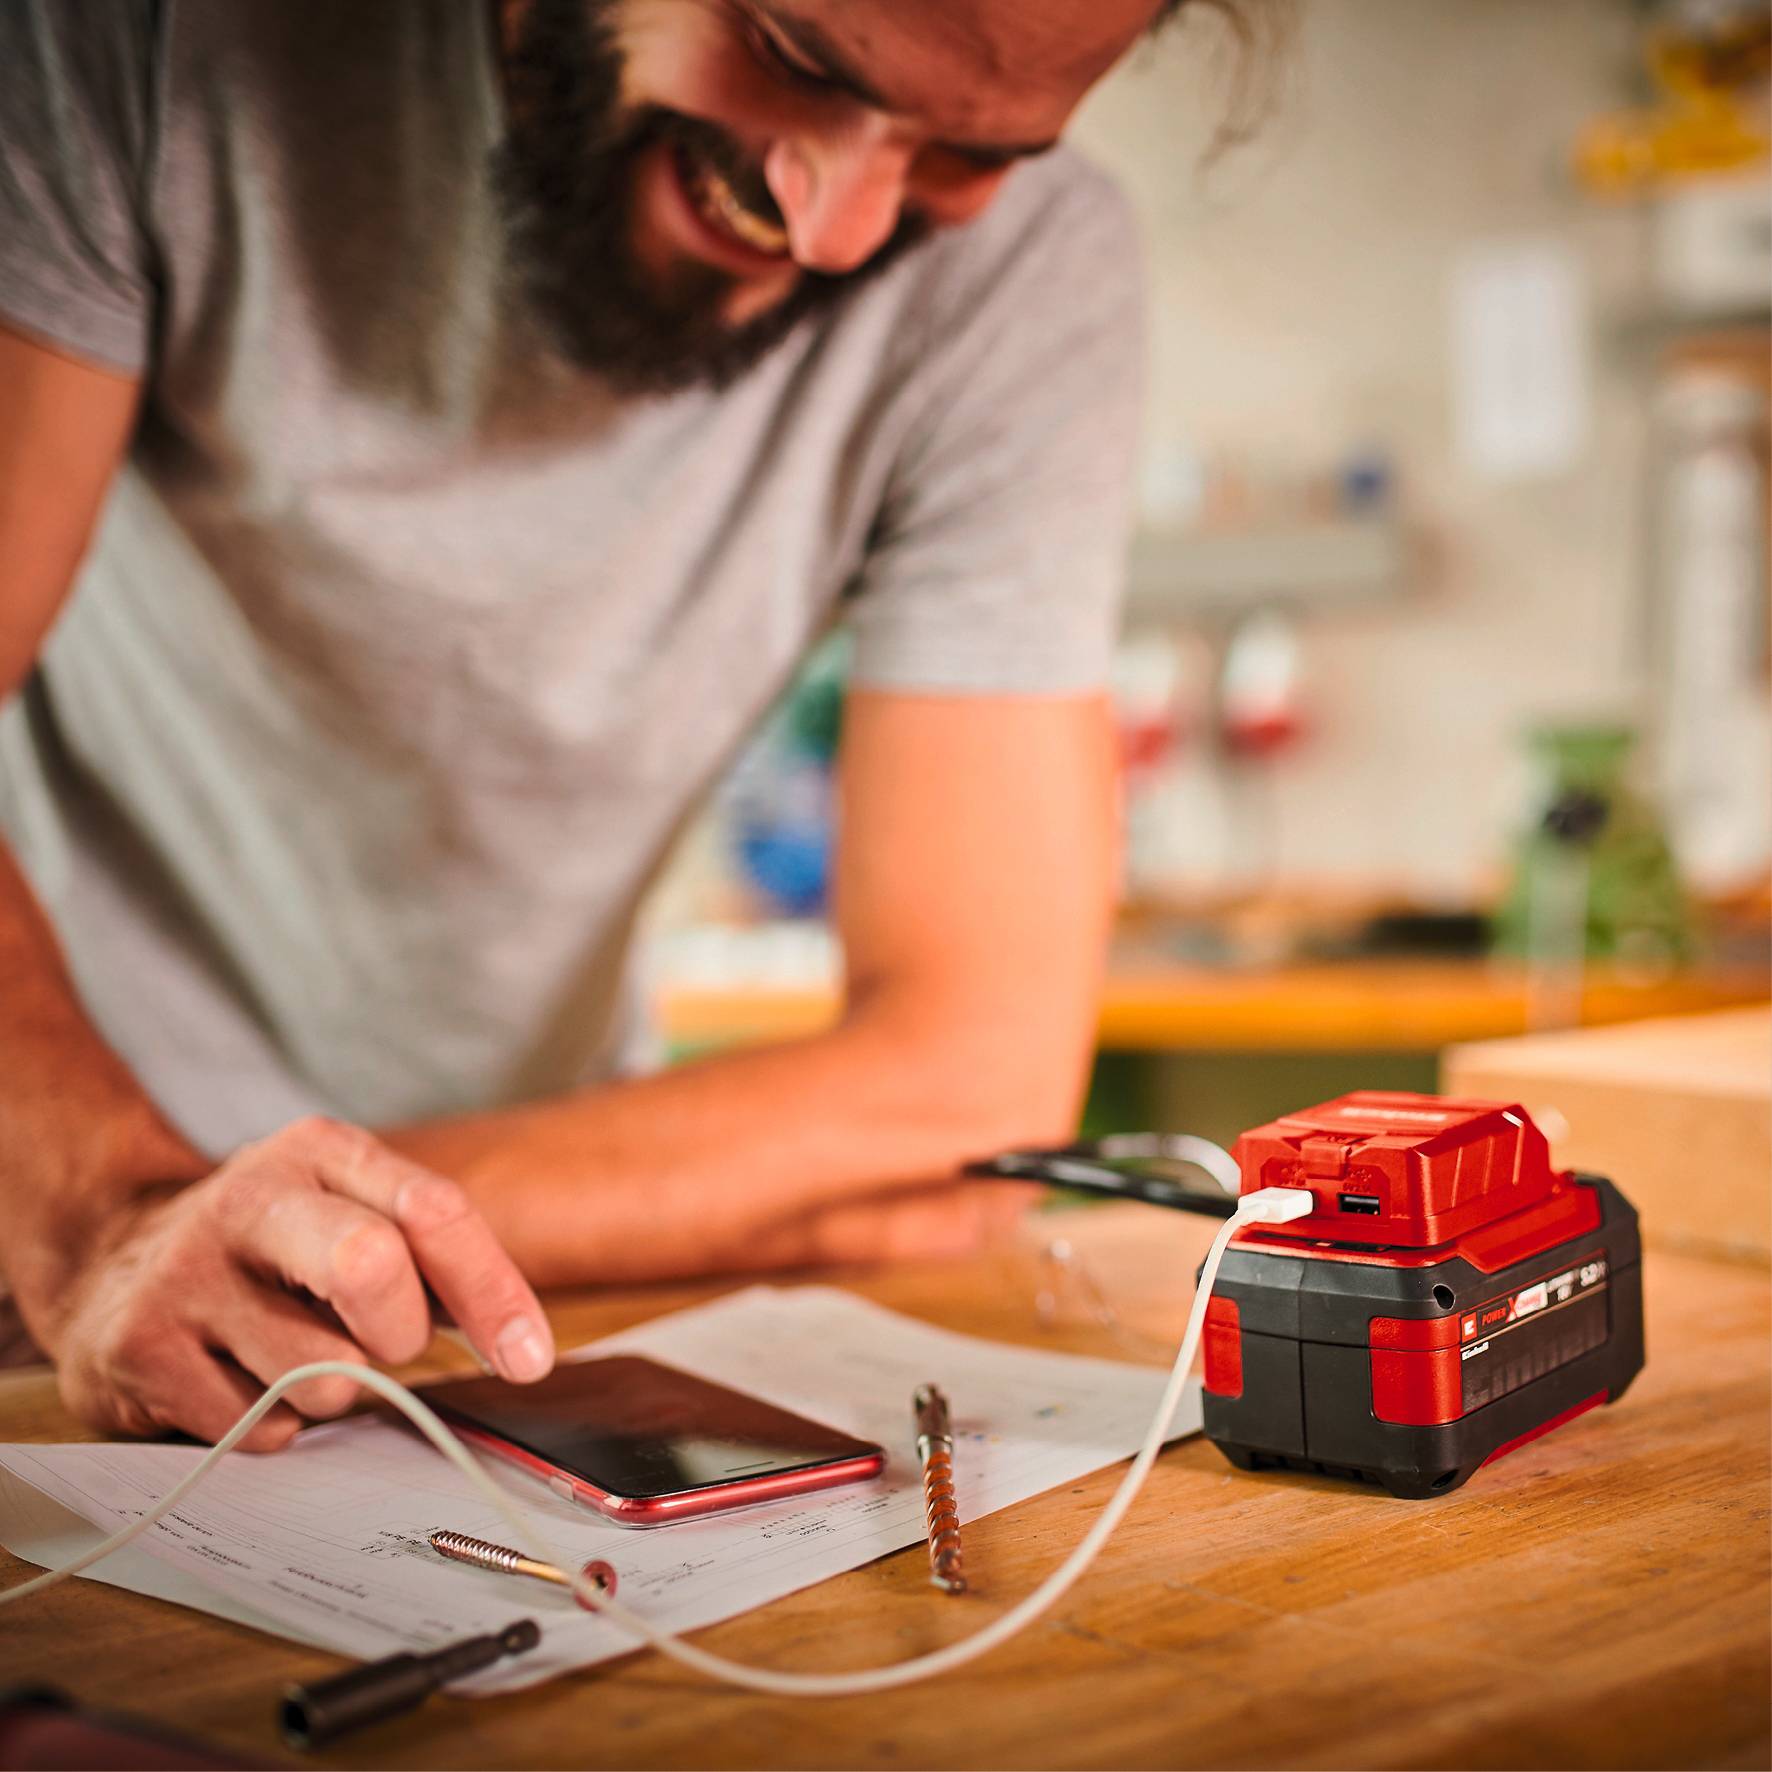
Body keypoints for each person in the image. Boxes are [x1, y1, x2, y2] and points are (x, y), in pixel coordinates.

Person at [0, 0, 1205, 1450]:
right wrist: (107, 1211)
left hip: (485, 1301)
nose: (837, 229)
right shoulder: (129, 38)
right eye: (795, 58)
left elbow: (964, 1092)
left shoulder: (1027, 279)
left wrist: (298, 1240)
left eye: (971, 152)